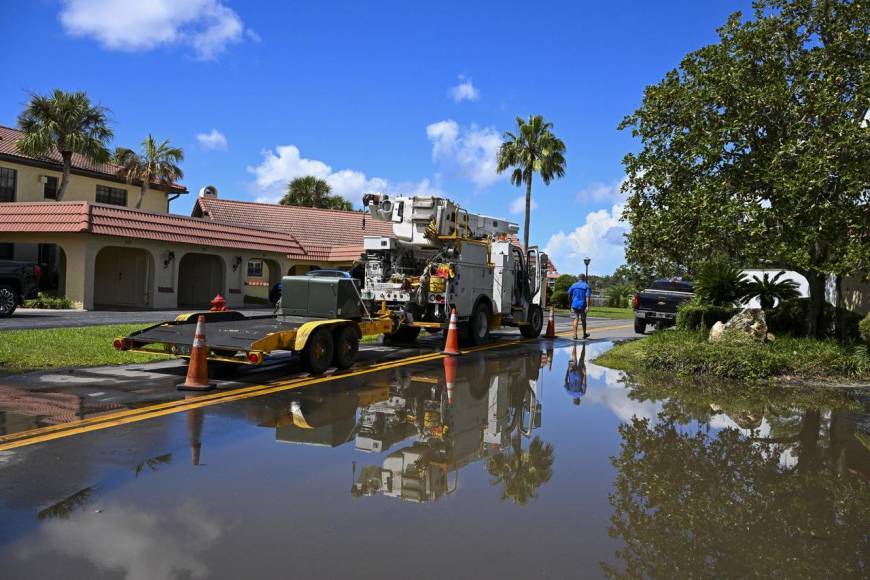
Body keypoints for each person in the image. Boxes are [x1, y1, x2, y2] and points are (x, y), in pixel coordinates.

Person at [567, 274, 591, 340]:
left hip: (574, 304)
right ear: (584, 278)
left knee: (576, 319)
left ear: (578, 278)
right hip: (583, 305)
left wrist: (570, 303)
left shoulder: (573, 285)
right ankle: (584, 334)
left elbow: (569, 294)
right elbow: (587, 297)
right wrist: (588, 306)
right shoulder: (586, 286)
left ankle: (575, 335)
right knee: (583, 320)